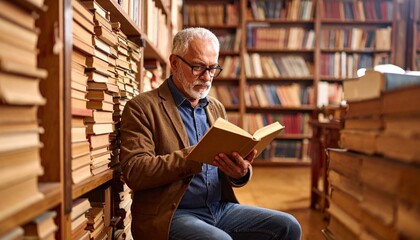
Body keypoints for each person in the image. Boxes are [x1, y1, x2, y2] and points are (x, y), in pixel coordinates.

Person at [119, 27, 302, 240]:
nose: (207, 77)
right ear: (175, 63)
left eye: (213, 68)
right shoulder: (141, 107)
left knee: (289, 226)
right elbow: (135, 171)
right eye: (198, 67)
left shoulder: (215, 107)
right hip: (172, 214)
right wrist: (195, 156)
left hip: (219, 209)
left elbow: (223, 169)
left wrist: (239, 172)